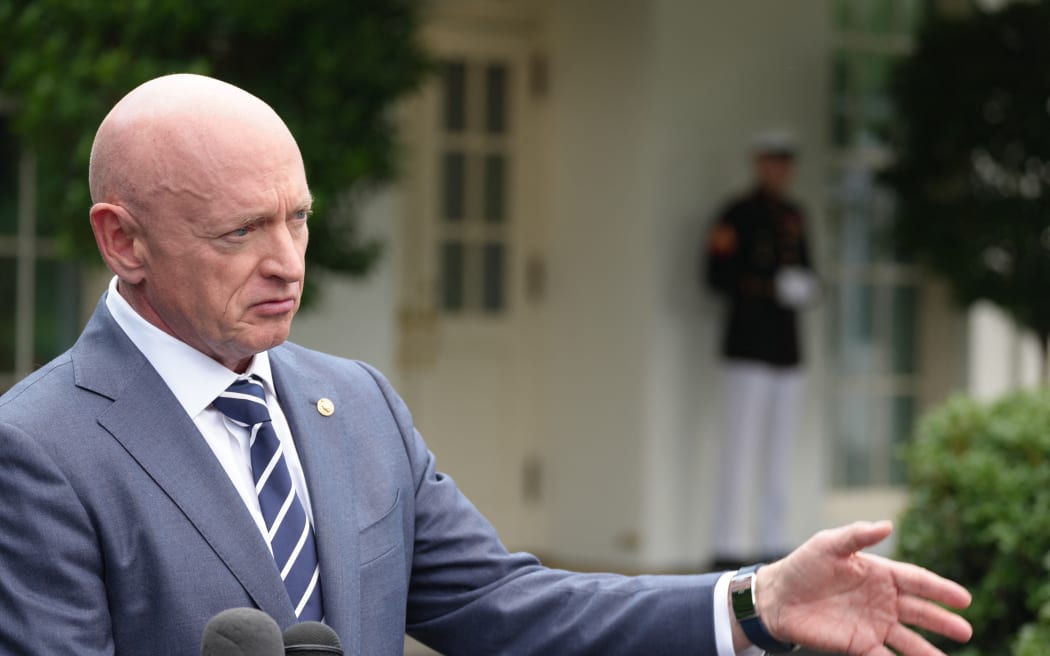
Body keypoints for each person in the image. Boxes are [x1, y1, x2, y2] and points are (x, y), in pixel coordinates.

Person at [0, 74, 970, 655]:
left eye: (298, 217)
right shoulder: (38, 451)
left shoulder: (356, 401)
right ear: (121, 240)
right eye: (240, 231)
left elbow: (510, 608)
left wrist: (754, 604)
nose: (287, 260)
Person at [704, 131, 820, 569]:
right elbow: (716, 277)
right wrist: (772, 287)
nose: (781, 171)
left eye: (786, 163)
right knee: (740, 445)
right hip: (747, 347)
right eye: (774, 162)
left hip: (786, 348)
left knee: (779, 450)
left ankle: (773, 540)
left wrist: (807, 288)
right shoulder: (737, 214)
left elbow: (808, 270)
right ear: (759, 164)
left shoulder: (794, 215)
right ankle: (728, 543)